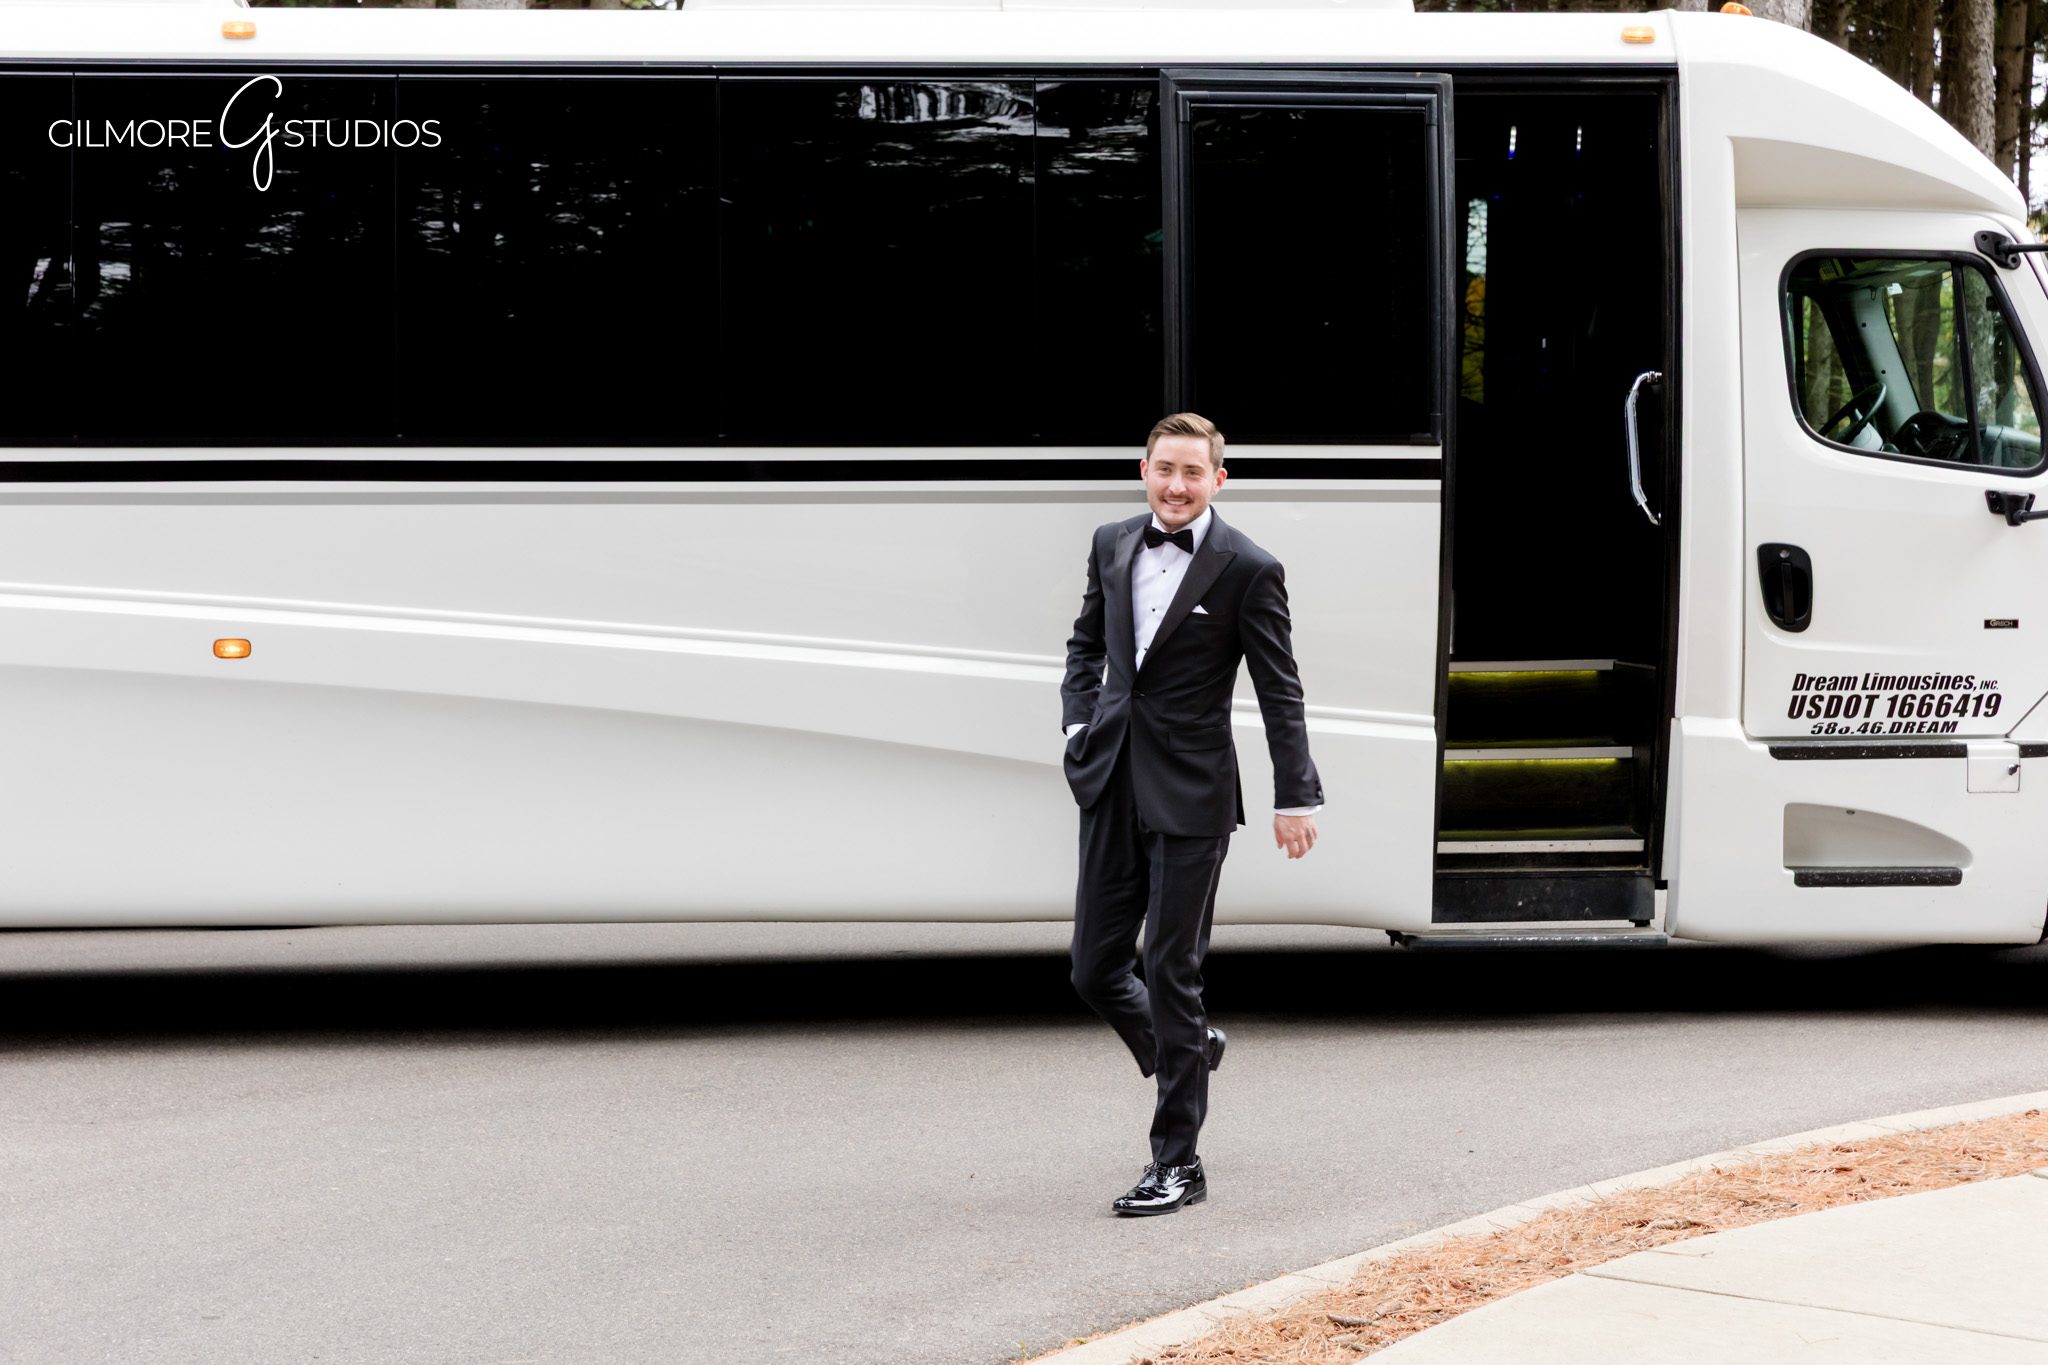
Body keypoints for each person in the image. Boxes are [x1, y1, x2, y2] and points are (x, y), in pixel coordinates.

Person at [1060, 411, 1323, 1217]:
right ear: (1144, 468)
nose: (1176, 486)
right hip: (1109, 779)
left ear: (1219, 479)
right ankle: (1192, 1051)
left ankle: (1178, 1161)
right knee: (1095, 968)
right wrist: (1078, 722)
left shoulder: (1249, 567)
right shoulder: (1111, 542)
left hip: (1194, 795)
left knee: (1171, 970)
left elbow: (1280, 687)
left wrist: (1296, 793)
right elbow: (1086, 644)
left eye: (1192, 472)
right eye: (1163, 468)